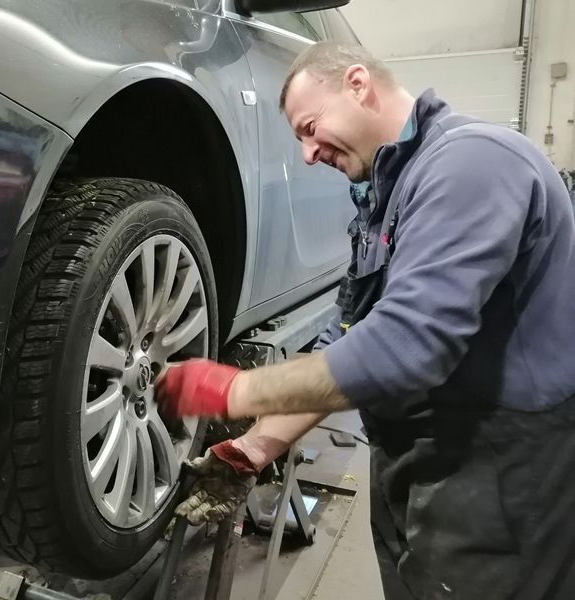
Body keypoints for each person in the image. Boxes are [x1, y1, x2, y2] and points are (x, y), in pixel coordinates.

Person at [157, 41, 575, 600]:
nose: (307, 154)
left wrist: (234, 390)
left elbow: (405, 345)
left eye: (309, 128)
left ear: (357, 84)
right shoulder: (386, 201)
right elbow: (348, 343)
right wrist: (252, 448)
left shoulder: (473, 162)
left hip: (504, 479)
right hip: (421, 468)